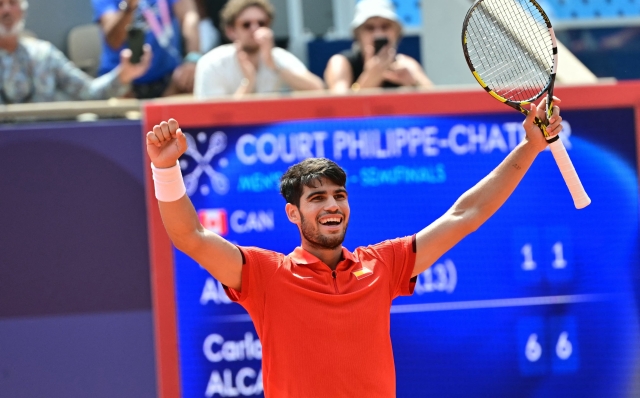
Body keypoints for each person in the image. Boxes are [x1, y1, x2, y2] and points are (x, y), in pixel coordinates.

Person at [145, 96, 563, 396]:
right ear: (293, 213)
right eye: (317, 198)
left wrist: (530, 147)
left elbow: (464, 215)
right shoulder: (263, 273)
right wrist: (165, 167)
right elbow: (190, 237)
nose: (332, 205)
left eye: (339, 196)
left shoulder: (383, 264)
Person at [0, 0, 150, 104]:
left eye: (12, 2)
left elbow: (90, 93)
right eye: (0, 4)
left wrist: (123, 75)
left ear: (22, 11)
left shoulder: (44, 55)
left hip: (46, 143)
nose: (6, 10)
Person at [193, 0, 323, 99]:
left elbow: (318, 89)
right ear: (231, 31)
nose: (254, 29)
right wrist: (248, 83)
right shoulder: (212, 63)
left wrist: (274, 66)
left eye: (261, 23)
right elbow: (214, 117)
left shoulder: (277, 57)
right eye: (246, 24)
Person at [93, 0, 201, 98]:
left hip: (168, 78)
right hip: (123, 81)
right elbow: (113, 41)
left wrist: (193, 57)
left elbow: (189, 16)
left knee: (190, 81)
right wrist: (129, 7)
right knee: (116, 96)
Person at [324, 0, 433, 93]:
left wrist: (414, 84)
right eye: (370, 28)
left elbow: (436, 102)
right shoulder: (341, 63)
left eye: (385, 27)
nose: (378, 34)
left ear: (396, 33)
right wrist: (369, 79)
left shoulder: (407, 65)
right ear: (358, 34)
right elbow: (339, 109)